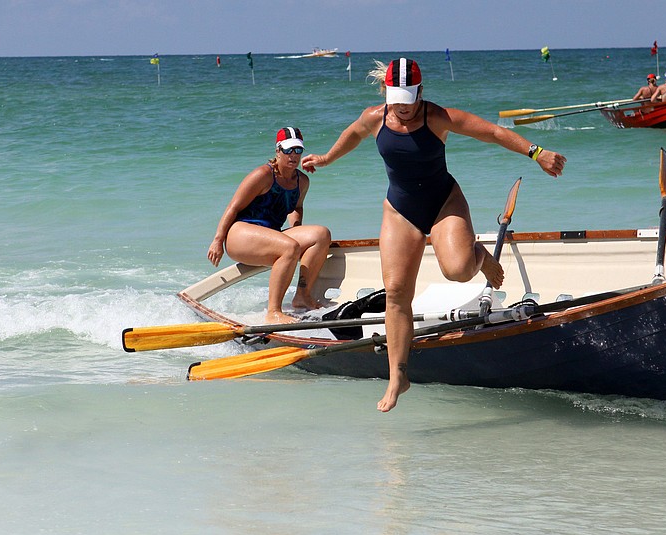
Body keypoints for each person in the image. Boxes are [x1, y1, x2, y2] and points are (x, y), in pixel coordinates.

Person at [301, 58, 566, 412]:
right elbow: (353, 135)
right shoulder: (374, 117)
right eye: (397, 99)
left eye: (410, 99)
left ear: (420, 93)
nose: (404, 107)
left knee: (457, 270)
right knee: (396, 293)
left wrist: (537, 153)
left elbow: (493, 132)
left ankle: (479, 255)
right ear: (386, 93)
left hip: (443, 202)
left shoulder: (437, 116)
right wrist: (326, 158)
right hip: (400, 210)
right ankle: (398, 376)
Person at [208, 127, 332, 324]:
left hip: (270, 235)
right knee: (290, 247)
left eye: (298, 151)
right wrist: (217, 240)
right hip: (240, 234)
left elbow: (296, 207)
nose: (293, 156)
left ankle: (302, 295)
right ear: (278, 150)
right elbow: (233, 207)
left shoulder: (302, 181)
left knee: (321, 235)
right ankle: (273, 311)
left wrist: (296, 227)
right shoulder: (263, 175)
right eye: (288, 150)